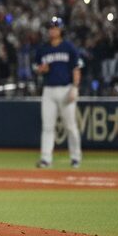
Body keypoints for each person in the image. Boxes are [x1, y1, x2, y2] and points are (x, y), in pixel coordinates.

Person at [35, 16, 83, 169]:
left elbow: (76, 68)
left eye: (55, 27)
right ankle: (46, 159)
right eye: (50, 27)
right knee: (48, 127)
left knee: (70, 126)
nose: (52, 30)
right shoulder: (43, 49)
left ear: (61, 29)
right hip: (49, 90)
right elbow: (37, 68)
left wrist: (75, 87)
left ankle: (75, 157)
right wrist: (40, 69)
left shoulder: (69, 47)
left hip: (65, 89)